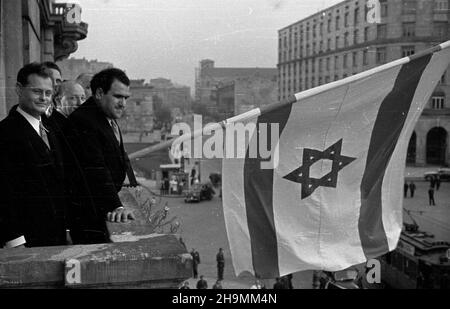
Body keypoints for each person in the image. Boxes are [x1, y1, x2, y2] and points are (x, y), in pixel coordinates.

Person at [0, 63, 70, 248]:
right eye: (37, 92)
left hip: (55, 236)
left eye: (48, 93)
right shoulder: (5, 132)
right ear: (18, 89)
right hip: (26, 242)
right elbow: (3, 193)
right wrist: (15, 241)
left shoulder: (51, 127)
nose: (44, 98)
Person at [68, 68, 137, 243]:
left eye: (125, 98)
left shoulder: (104, 116)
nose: (123, 103)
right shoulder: (83, 120)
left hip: (99, 210)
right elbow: (95, 170)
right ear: (99, 93)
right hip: (90, 218)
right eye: (118, 97)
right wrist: (116, 206)